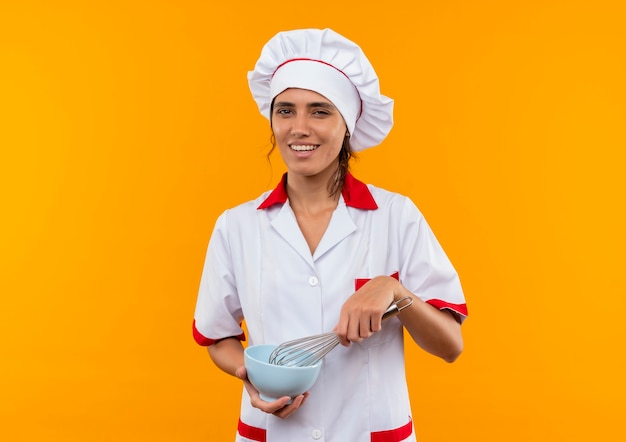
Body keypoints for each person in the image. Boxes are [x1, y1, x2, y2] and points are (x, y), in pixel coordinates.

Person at [193, 28, 468, 442]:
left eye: (319, 111)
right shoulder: (237, 226)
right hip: (273, 432)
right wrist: (248, 376)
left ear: (347, 125)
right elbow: (217, 337)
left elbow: (451, 345)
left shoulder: (396, 216)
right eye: (285, 111)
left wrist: (394, 291)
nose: (299, 128)